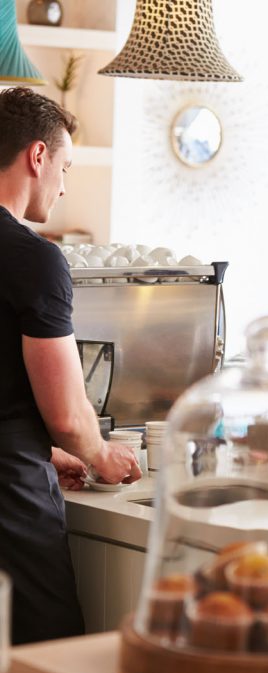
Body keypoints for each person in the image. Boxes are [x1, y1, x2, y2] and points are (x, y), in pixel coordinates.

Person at [0, 88, 141, 644]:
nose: (63, 185)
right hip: (8, 498)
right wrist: (100, 454)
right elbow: (65, 412)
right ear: (38, 157)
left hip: (17, 458)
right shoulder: (32, 257)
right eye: (64, 166)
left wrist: (45, 450)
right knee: (49, 655)